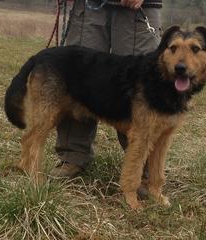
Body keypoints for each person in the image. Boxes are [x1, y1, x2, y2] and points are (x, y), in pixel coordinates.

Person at [50, 0, 162, 178]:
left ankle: (144, 169)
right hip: (88, 6)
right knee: (78, 76)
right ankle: (72, 155)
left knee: (141, 87)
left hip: (138, 8)